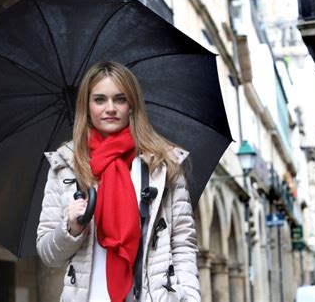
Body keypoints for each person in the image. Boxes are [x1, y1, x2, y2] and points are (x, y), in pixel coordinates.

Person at [36, 61, 201, 302]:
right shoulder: (67, 166)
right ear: (87, 106)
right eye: (100, 99)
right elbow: (48, 255)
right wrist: (71, 228)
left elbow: (183, 244)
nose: (110, 108)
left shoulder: (162, 165)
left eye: (120, 99)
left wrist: (190, 298)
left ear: (132, 105)